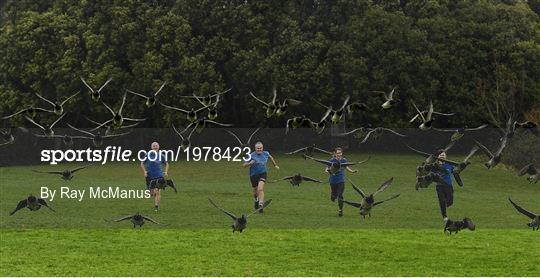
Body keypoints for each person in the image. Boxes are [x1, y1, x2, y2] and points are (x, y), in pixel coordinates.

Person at [242, 141, 279, 213]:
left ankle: (261, 205)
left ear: (262, 148)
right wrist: (250, 163)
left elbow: (270, 157)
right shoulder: (251, 155)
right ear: (255, 148)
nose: (259, 149)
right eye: (257, 148)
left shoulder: (266, 153)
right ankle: (256, 200)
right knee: (255, 192)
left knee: (260, 189)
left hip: (263, 173)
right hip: (253, 175)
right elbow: (243, 165)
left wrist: (275, 165)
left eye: (260, 148)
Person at [326, 147, 357, 217]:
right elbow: (327, 168)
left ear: (342, 153)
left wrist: (352, 171)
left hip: (341, 180)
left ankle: (340, 210)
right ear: (335, 153)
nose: (339, 154)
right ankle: (333, 195)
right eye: (337, 153)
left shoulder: (344, 160)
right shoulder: (331, 160)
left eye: (340, 153)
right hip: (333, 181)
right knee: (334, 195)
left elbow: (346, 167)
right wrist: (327, 171)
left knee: (340, 195)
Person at [140, 142, 169, 212]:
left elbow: (167, 164)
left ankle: (156, 206)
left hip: (159, 176)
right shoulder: (148, 155)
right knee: (152, 193)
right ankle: (152, 192)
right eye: (153, 146)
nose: (155, 147)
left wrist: (166, 171)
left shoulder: (161, 155)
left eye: (156, 146)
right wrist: (144, 171)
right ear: (151, 147)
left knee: (157, 192)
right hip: (149, 176)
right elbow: (142, 163)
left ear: (158, 147)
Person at [433, 150, 455, 222]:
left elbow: (455, 171)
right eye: (440, 155)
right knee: (442, 201)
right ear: (438, 156)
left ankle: (446, 204)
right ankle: (444, 216)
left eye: (443, 155)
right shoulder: (434, 165)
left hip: (448, 185)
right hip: (439, 186)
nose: (442, 156)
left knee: (450, 201)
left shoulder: (450, 165)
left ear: (446, 157)